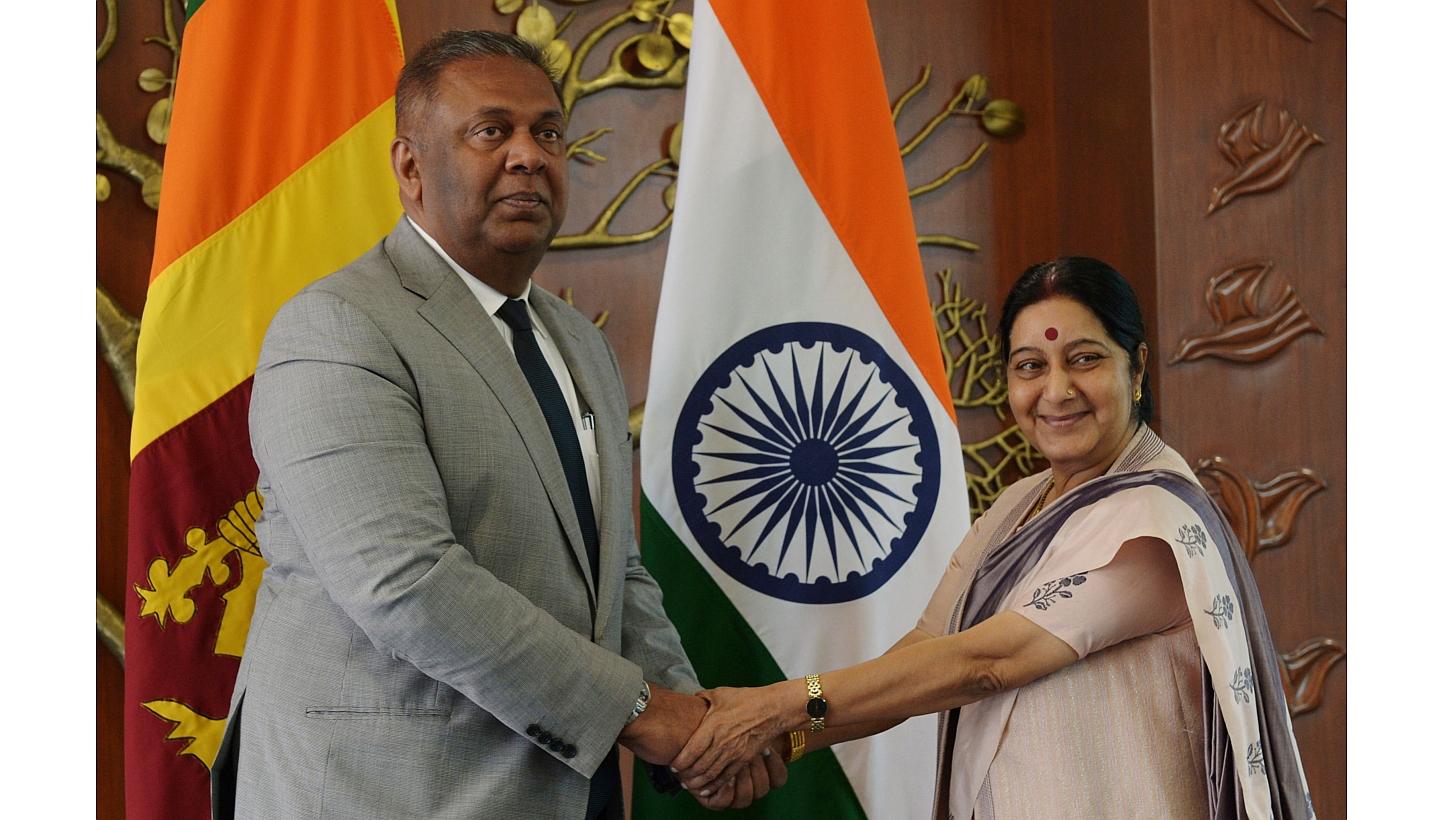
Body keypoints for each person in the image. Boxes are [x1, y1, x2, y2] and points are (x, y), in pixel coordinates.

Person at [210, 31, 782, 819]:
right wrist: (649, 715)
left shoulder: (576, 341)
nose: (528, 156)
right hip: (386, 798)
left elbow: (614, 573)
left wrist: (699, 731)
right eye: (491, 131)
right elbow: (405, 582)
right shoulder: (337, 328)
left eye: (548, 133)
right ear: (410, 168)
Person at [669, 257, 1313, 819]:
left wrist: (779, 707)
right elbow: (923, 654)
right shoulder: (1016, 507)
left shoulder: (1156, 524)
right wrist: (774, 741)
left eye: (1084, 359)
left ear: (1137, 368)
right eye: (1031, 365)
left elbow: (982, 665)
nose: (1056, 390)